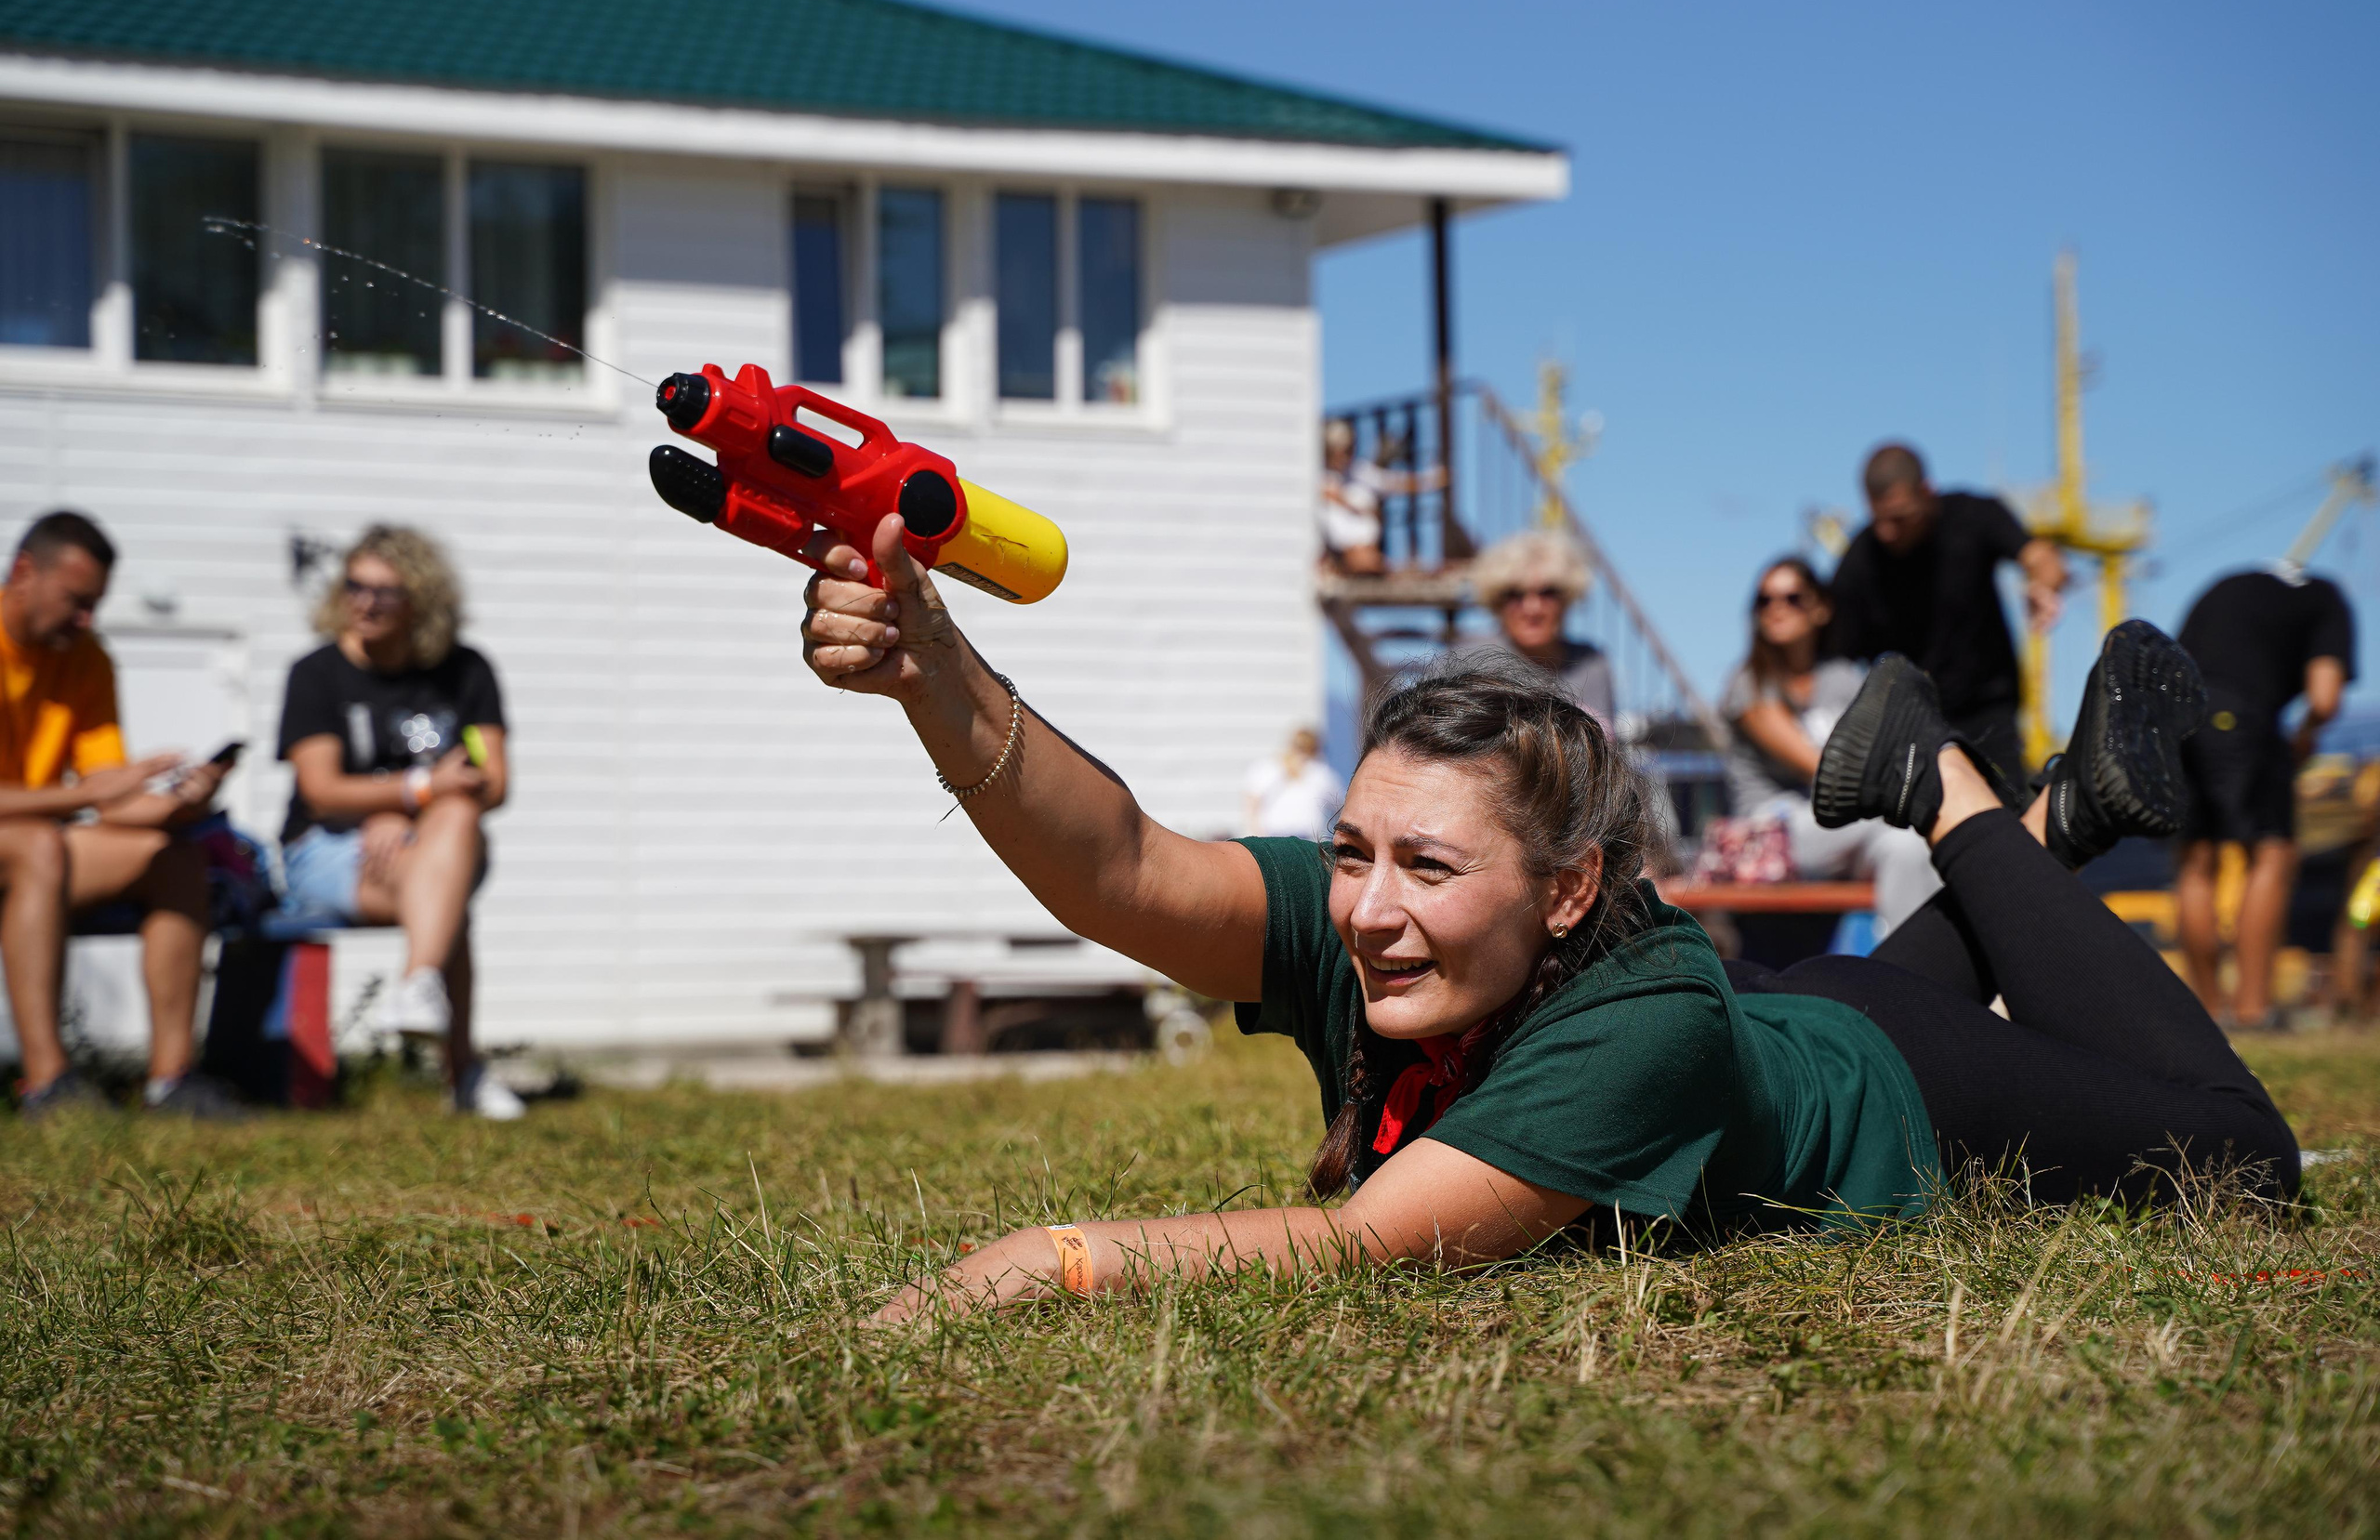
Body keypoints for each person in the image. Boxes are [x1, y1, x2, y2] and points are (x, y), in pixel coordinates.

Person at [800, 518, 2293, 1321]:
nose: (1371, 909)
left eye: (1430, 868)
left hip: (1906, 1085)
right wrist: (936, 665)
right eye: (1352, 852)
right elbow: (1122, 862)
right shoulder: (1380, 918)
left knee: (2247, 1158)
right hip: (1790, 1027)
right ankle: (2066, 822)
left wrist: (1050, 1257)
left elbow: (1365, 1245)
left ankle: (1948, 783)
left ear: (1570, 885)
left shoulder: (1642, 1017)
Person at [0, 512, 245, 1119]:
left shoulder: (85, 658)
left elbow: (111, 791)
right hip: (30, 846)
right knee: (39, 844)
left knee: (174, 858)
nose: (87, 619)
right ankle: (47, 1081)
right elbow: (94, 795)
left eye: (95, 605)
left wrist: (181, 802)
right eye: (76, 601)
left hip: (33, 849)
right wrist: (97, 795)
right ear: (24, 572)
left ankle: (171, 1080)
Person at [275, 525, 522, 1119]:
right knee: (445, 896)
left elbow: (492, 781)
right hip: (326, 849)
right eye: (355, 586)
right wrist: (414, 790)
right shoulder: (317, 673)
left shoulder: (466, 671)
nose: (365, 603)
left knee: (458, 821)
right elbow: (321, 791)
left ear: (422, 600)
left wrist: (409, 812)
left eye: (385, 593)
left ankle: (416, 988)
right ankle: (461, 1069)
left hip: (430, 843)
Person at [2172, 566, 2356, 1028]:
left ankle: (2209, 1014)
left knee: (2195, 864)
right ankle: (2253, 1010)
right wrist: (2306, 737)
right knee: (2272, 853)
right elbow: (2325, 697)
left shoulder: (2230, 584)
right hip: (2242, 713)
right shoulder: (2328, 598)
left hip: (2177, 715)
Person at [1827, 442, 2068, 788]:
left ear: (1927, 492)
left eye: (1900, 518)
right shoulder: (1860, 561)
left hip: (1988, 710)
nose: (1887, 532)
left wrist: (2044, 585)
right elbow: (1832, 653)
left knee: (2006, 817)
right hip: (1911, 723)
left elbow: (2040, 556)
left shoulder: (1972, 515)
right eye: (1879, 519)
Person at [1719, 557, 1938, 932]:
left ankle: (1908, 974)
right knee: (1915, 821)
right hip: (1772, 832)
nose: (1776, 609)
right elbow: (1823, 770)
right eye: (1764, 600)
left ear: (1820, 609)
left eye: (1792, 598)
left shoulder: (1844, 679)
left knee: (1908, 847)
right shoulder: (1748, 683)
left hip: (1848, 827)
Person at [1465, 530, 1615, 731]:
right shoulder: (1469, 661)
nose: (1532, 608)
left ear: (1568, 598)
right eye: (1515, 595)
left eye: (1548, 593)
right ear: (1496, 601)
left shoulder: (1591, 663)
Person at [1243, 727, 1344, 841]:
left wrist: (1255, 834)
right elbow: (1340, 805)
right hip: (1307, 838)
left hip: (1271, 836)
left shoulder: (1266, 768)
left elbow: (1252, 804)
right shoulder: (1320, 773)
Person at [1317, 420, 1384, 576]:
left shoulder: (1359, 473)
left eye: (1347, 450)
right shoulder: (1320, 476)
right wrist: (1350, 505)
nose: (1343, 456)